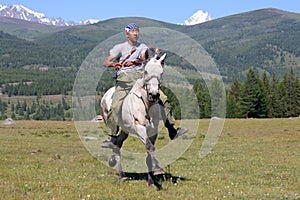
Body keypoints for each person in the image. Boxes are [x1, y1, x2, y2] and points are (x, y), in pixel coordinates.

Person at [102, 23, 188, 148]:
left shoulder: (142, 47)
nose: (136, 33)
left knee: (163, 98)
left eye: (137, 31)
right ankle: (113, 137)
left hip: (139, 78)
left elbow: (144, 57)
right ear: (127, 33)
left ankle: (171, 129)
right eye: (133, 31)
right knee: (115, 104)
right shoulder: (119, 48)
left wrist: (150, 56)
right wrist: (114, 64)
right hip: (124, 79)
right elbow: (106, 62)